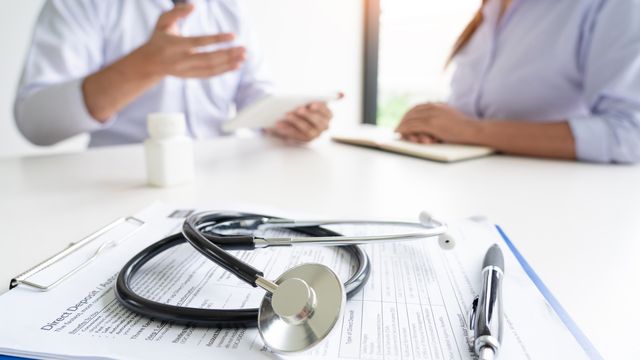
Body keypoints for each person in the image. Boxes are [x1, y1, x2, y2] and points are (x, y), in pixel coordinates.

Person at [14, 1, 333, 147]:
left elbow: (253, 90)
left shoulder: (228, 8)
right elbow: (35, 122)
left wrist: (287, 121)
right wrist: (144, 66)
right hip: (119, 187)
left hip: (223, 179)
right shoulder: (82, 5)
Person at [395, 0, 640, 163]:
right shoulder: (491, 8)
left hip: (557, 206)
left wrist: (469, 130)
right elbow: (477, 110)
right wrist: (434, 125)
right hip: (474, 194)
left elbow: (630, 135)